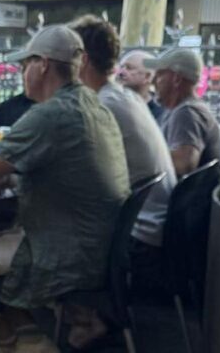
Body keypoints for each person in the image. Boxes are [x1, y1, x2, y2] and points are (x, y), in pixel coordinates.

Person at [0, 25, 129, 353]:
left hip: (66, 251)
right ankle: (31, 335)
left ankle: (7, 340)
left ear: (42, 65)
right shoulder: (93, 105)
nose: (22, 73)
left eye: (24, 65)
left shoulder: (50, 115)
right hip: (99, 246)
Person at [68, 16, 177, 323]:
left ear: (84, 60)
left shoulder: (102, 106)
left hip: (136, 240)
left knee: (42, 236)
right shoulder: (123, 97)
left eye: (69, 56)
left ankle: (82, 321)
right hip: (152, 229)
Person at [145, 48, 220, 177]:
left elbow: (184, 165)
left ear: (176, 79)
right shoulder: (180, 110)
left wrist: (143, 157)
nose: (152, 82)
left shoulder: (187, 113)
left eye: (159, 75)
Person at [117, 50, 165, 122]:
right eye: (121, 67)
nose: (120, 72)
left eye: (129, 68)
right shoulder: (107, 102)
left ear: (147, 77)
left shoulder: (163, 113)